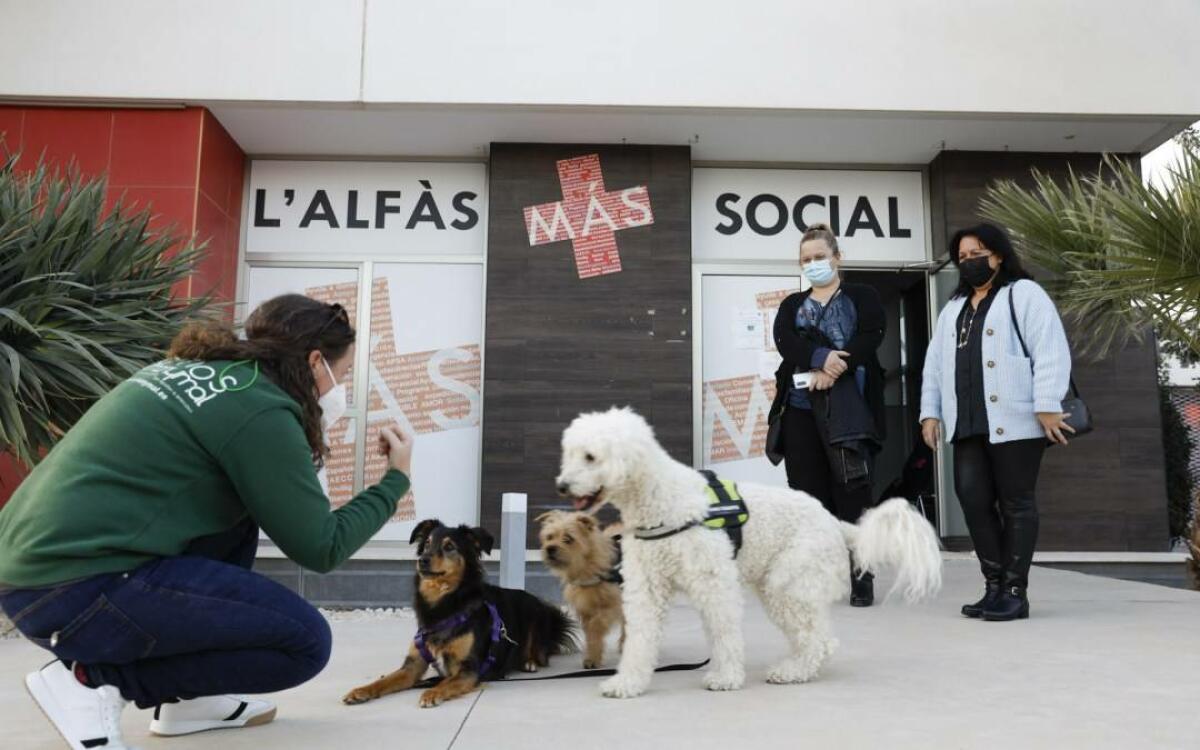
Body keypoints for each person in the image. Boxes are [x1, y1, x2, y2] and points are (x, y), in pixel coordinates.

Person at [0, 294, 414, 750]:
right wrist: (394, 481)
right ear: (317, 361)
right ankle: (91, 681)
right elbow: (321, 547)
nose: (341, 389)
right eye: (345, 373)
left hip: (33, 577)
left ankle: (189, 700)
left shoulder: (199, 374)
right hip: (73, 591)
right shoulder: (261, 409)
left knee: (235, 520)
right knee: (304, 643)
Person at [919, 223, 1073, 622]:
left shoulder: (1023, 294)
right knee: (972, 500)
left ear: (999, 254)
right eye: (963, 257)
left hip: (1017, 420)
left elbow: (1050, 348)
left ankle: (1015, 591)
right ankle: (993, 585)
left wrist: (1047, 402)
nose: (970, 261)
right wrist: (930, 412)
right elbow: (934, 365)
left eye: (978, 253)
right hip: (967, 422)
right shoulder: (953, 308)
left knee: (1016, 502)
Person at [769, 223, 887, 607]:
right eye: (806, 259)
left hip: (848, 408)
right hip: (800, 410)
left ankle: (861, 575)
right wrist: (818, 359)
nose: (814, 264)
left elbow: (871, 336)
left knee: (853, 489)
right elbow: (786, 341)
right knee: (808, 497)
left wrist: (833, 368)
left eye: (820, 257)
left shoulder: (862, 296)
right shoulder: (792, 305)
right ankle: (818, 574)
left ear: (837, 257)